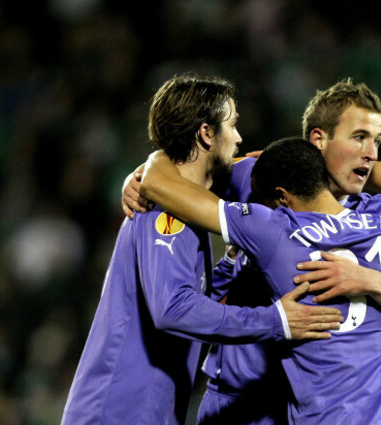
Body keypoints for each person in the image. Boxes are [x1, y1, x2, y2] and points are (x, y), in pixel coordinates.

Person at [122, 79, 381, 424]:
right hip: (243, 397)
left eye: (377, 141)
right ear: (318, 140)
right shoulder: (258, 175)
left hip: (304, 406)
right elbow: (184, 170)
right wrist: (141, 174)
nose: (371, 152)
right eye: (359, 138)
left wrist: (370, 280)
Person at [60, 75, 343, 425]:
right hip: (117, 412)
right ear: (207, 134)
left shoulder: (186, 204)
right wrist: (275, 320)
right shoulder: (163, 210)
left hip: (147, 411)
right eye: (232, 125)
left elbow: (186, 293)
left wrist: (230, 265)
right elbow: (173, 309)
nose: (239, 137)